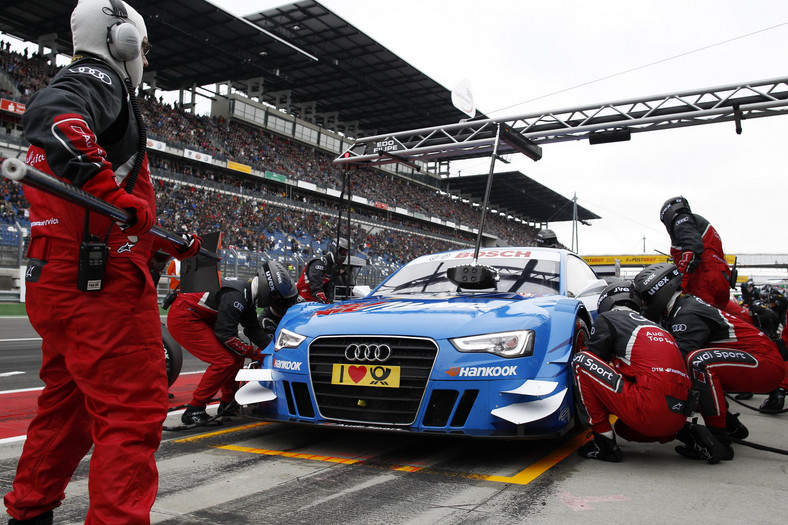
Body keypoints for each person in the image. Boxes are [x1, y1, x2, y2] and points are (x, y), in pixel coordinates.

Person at [4, 2, 202, 524]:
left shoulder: (91, 85)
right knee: (132, 414)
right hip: (102, 286)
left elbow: (102, 211)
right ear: (123, 39)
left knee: (65, 410)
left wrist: (161, 242)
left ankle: (28, 513)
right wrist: (104, 188)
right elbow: (52, 114)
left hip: (61, 277)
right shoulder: (97, 79)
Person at [633, 263, 786, 459]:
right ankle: (730, 426)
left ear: (659, 291)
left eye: (646, 299)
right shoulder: (682, 307)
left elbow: (674, 363)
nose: (645, 305)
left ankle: (718, 440)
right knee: (694, 371)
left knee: (696, 363)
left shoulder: (686, 314)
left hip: (765, 364)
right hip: (757, 361)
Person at [573, 281, 727, 463]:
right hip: (678, 414)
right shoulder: (659, 327)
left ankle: (603, 444)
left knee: (582, 361)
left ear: (607, 302)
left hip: (649, 411)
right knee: (623, 428)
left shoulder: (608, 319)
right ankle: (687, 432)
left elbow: (595, 361)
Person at [167, 260, 298, 425]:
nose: (277, 304)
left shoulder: (246, 294)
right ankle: (195, 409)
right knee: (223, 361)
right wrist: (254, 353)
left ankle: (227, 404)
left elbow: (253, 330)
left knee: (236, 357)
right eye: (277, 299)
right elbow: (226, 335)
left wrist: (273, 350)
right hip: (185, 317)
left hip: (198, 316)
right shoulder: (237, 295)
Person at [659, 196, 733, 311]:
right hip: (722, 279)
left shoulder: (682, 219)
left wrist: (679, 283)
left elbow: (692, 250)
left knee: (698, 321)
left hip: (703, 279)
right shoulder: (701, 224)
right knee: (716, 321)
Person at [296, 237, 349, 303]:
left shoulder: (334, 267)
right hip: (304, 296)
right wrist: (326, 302)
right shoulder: (320, 262)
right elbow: (316, 287)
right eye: (343, 252)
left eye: (346, 253)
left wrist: (330, 302)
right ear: (336, 249)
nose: (345, 256)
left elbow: (329, 289)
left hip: (316, 298)